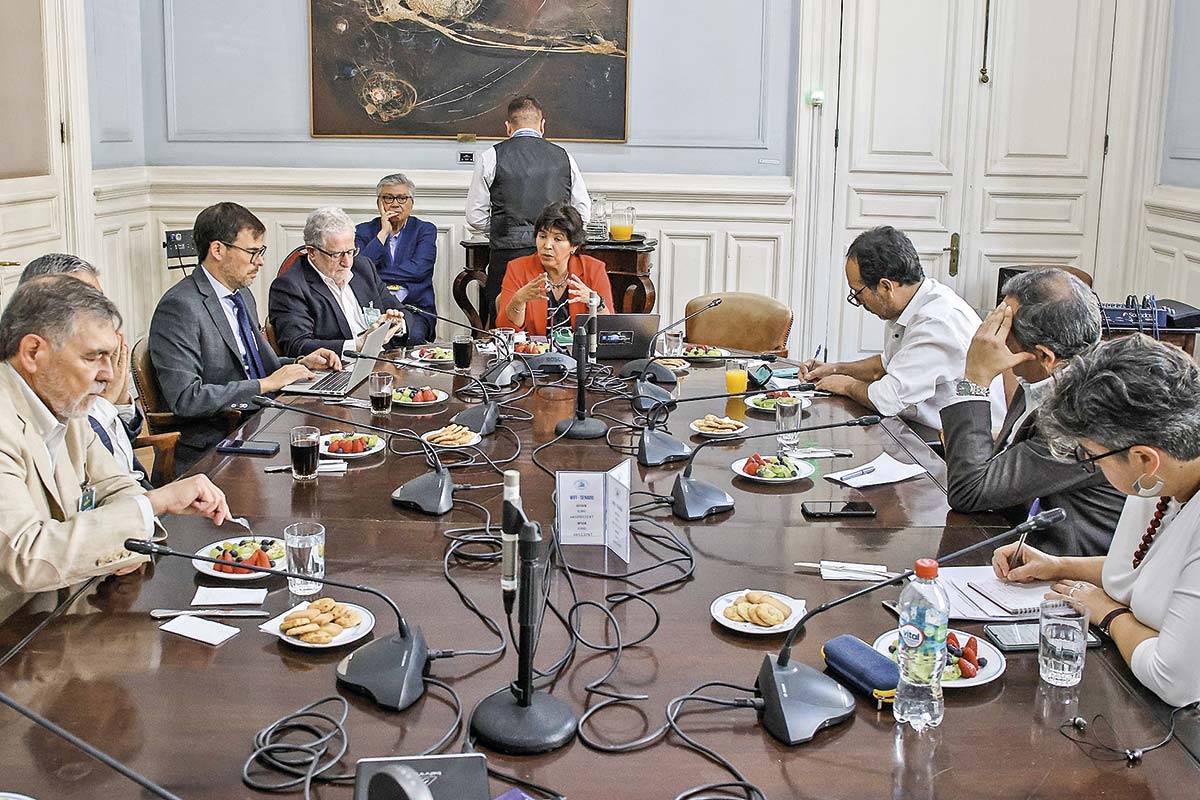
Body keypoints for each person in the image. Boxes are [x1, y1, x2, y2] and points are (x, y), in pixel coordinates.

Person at [992, 334, 1200, 707]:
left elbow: (1174, 680)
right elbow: (1151, 571)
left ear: (1143, 458)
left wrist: (1108, 612)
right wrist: (1058, 566)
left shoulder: (1155, 476)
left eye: (1092, 457)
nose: (1093, 468)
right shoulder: (1158, 479)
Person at [0, 275, 232, 609]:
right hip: (16, 635)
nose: (109, 374)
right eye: (93, 357)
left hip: (70, 604)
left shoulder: (65, 404)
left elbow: (118, 487)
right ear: (33, 351)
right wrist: (152, 505)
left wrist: (124, 538)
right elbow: (26, 557)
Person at [941, 269, 1124, 556]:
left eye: (1003, 330)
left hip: (1064, 567)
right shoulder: (1052, 377)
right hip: (1016, 537)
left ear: (1044, 356)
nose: (992, 340)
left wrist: (975, 379)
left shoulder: (1083, 412)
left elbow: (970, 493)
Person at [149, 203, 342, 471]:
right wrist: (265, 385)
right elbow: (187, 398)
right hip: (218, 443)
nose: (260, 261)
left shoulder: (241, 296)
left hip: (260, 421)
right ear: (217, 250)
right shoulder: (180, 307)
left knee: (334, 434)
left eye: (260, 252)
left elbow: (254, 364)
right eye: (252, 252)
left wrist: (302, 362)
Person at [799, 226, 1005, 432]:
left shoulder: (936, 323)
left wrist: (845, 385)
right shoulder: (915, 303)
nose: (859, 301)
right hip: (923, 425)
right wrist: (836, 368)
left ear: (886, 287)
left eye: (858, 293)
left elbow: (887, 400)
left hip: (951, 439)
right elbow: (886, 365)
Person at [19, 254, 150, 487]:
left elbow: (121, 447)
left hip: (134, 495)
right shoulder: (37, 390)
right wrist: (104, 405)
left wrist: (120, 403)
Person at [466, 95, 591, 327]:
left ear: (508, 127)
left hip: (507, 254)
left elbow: (475, 217)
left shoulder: (491, 156)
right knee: (555, 322)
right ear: (542, 125)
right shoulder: (564, 157)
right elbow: (582, 212)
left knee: (506, 324)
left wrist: (503, 230)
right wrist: (558, 235)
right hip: (556, 257)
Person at [270, 206, 423, 358]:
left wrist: (396, 326)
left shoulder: (363, 267)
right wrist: (358, 345)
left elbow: (401, 312)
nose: (347, 262)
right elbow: (297, 345)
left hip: (383, 364)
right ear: (311, 252)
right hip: (336, 373)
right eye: (336, 255)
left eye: (350, 251)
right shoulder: (290, 286)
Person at [495, 204, 612, 337]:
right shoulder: (517, 269)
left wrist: (596, 303)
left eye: (557, 239)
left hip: (580, 354)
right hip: (534, 354)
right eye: (542, 236)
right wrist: (518, 301)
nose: (547, 246)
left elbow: (609, 333)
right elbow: (504, 331)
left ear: (574, 245)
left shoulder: (594, 270)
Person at [354, 173, 439, 328]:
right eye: (388, 198)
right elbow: (360, 270)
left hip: (414, 308)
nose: (395, 204)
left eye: (402, 198)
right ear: (379, 203)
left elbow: (419, 270)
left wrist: (376, 275)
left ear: (411, 203)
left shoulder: (425, 230)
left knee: (413, 335)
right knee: (369, 337)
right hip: (374, 308)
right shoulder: (363, 231)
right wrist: (383, 233)